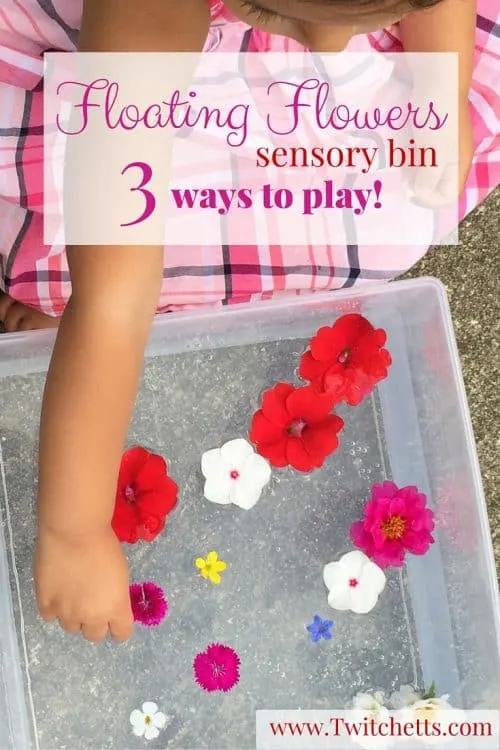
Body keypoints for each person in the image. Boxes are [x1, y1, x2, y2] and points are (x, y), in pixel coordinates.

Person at [0, 0, 498, 644]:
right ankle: (52, 292)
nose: (338, 36)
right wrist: (75, 529)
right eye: (315, 20)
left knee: (394, 213)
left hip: (268, 91)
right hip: (116, 90)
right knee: (78, 264)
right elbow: (115, 296)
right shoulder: (145, 16)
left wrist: (441, 88)